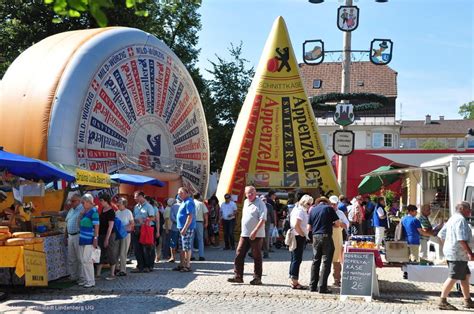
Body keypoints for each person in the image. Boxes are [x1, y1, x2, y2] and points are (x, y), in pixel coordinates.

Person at [437, 202, 474, 311]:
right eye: (468, 209)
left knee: (465, 275)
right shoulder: (460, 220)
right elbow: (461, 239)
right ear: (462, 209)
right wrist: (470, 253)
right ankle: (442, 301)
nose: (470, 211)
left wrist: (448, 246)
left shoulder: (452, 218)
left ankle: (467, 300)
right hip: (458, 254)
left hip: (455, 253)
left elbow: (441, 235)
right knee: (454, 276)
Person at [228, 186, 266, 285]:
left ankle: (257, 278)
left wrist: (255, 231)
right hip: (244, 234)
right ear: (245, 194)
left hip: (256, 235)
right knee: (239, 254)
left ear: (255, 193)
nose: (249, 195)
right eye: (248, 193)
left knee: (256, 256)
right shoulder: (245, 202)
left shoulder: (260, 203)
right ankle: (238, 276)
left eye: (251, 193)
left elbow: (263, 219)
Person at [308, 196, 342, 293]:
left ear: (318, 202)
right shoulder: (329, 208)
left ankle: (312, 286)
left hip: (315, 237)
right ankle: (322, 287)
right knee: (326, 262)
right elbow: (337, 223)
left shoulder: (313, 210)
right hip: (326, 236)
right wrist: (330, 224)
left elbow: (309, 228)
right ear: (326, 202)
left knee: (315, 261)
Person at [288, 194, 312, 290]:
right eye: (308, 203)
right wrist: (303, 234)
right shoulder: (300, 211)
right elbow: (297, 224)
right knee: (297, 259)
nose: (310, 205)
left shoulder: (297, 209)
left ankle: (292, 278)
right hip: (298, 236)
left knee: (294, 258)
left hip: (296, 235)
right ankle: (294, 281)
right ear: (303, 202)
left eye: (311, 203)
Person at [78, 194, 99, 288]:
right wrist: (81, 214)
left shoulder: (94, 212)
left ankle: (91, 281)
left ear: (88, 202)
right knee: (83, 261)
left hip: (89, 239)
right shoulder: (86, 212)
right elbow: (80, 224)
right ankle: (87, 279)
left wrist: (95, 238)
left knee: (87, 261)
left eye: (83, 202)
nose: (82, 204)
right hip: (83, 238)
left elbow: (96, 226)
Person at [96, 193, 119, 280]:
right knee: (100, 253)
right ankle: (98, 274)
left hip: (109, 235)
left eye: (101, 200)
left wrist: (107, 238)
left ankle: (112, 273)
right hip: (101, 234)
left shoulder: (111, 211)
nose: (100, 202)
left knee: (111, 253)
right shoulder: (102, 209)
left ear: (106, 200)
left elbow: (110, 226)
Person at [132, 191, 155, 273]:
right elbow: (134, 216)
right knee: (137, 248)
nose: (135, 198)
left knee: (146, 248)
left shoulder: (148, 206)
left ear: (141, 196)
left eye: (136, 197)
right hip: (137, 228)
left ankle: (148, 266)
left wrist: (144, 220)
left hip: (145, 228)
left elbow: (153, 218)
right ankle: (140, 265)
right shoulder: (136, 207)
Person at [174, 187, 196, 272]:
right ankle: (182, 264)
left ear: (187, 193)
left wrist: (184, 228)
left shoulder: (189, 202)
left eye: (181, 193)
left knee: (186, 247)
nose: (179, 194)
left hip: (187, 228)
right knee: (182, 247)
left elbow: (190, 216)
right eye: (179, 193)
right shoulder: (184, 201)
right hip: (181, 228)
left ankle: (187, 265)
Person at [329, 195, 349, 287]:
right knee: (325, 260)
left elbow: (347, 224)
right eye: (331, 204)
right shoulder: (326, 211)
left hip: (337, 239)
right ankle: (322, 280)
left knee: (337, 259)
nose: (333, 206)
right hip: (327, 238)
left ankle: (337, 280)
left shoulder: (340, 213)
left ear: (337, 204)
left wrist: (340, 223)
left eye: (335, 204)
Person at [64, 194, 84, 284]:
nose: (71, 203)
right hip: (70, 236)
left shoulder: (82, 209)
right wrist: (65, 236)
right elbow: (67, 222)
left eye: (73, 201)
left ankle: (81, 277)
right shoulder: (71, 210)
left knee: (80, 258)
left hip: (78, 235)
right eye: (70, 201)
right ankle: (73, 275)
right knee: (71, 257)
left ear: (79, 201)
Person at [115, 197, 134, 276]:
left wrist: (124, 228)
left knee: (123, 252)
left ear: (124, 204)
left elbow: (132, 223)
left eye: (119, 202)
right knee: (116, 252)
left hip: (125, 234)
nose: (118, 204)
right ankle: (116, 268)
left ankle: (123, 270)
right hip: (117, 234)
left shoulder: (128, 212)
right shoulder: (117, 212)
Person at [193, 192, 208, 261]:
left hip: (191, 222)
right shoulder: (201, 203)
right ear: (199, 196)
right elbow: (205, 214)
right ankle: (201, 255)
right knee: (200, 239)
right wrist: (206, 222)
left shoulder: (191, 203)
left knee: (191, 239)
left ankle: (191, 256)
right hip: (199, 222)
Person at [168, 198, 180, 263]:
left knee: (173, 242)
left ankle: (173, 257)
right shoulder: (185, 205)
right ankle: (185, 257)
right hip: (183, 227)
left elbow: (172, 217)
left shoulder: (173, 206)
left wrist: (177, 222)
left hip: (175, 227)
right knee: (183, 243)